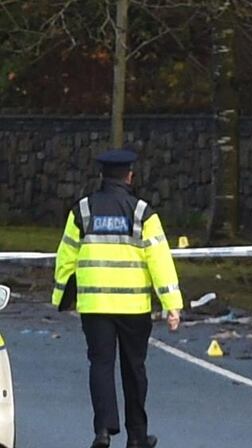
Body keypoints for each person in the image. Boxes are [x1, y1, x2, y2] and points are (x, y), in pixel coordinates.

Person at [51, 148, 183, 448]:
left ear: (102, 176)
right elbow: (160, 260)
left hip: (95, 304)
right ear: (130, 176)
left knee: (100, 364)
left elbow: (66, 257)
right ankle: (137, 436)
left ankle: (102, 430)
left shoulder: (82, 211)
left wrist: (61, 296)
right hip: (133, 306)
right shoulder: (142, 213)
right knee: (134, 368)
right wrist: (171, 304)